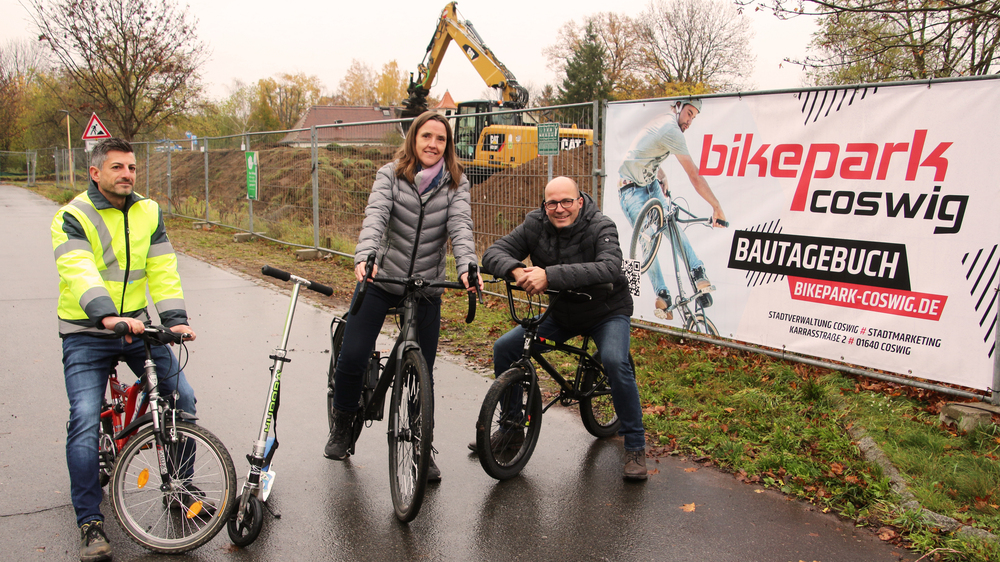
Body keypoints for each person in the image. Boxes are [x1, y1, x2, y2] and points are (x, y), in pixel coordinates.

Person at [51, 138, 198, 562]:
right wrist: (104, 315)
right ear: (95, 172)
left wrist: (174, 320)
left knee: (181, 397)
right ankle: (89, 522)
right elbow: (77, 269)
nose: (127, 174)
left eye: (132, 167)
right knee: (83, 418)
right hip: (85, 330)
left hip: (135, 326)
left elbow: (162, 267)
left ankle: (181, 486)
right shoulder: (72, 215)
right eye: (117, 167)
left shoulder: (148, 210)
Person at [324, 111, 480, 483]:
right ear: (414, 139)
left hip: (426, 285)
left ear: (448, 145)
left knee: (421, 371)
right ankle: (343, 424)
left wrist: (466, 267)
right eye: (426, 136)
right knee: (353, 356)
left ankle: (422, 445)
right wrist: (366, 258)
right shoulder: (390, 175)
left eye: (440, 139)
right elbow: (375, 219)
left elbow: (460, 227)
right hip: (383, 278)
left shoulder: (456, 182)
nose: (432, 144)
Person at [477, 176, 648, 481]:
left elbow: (609, 268)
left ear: (579, 201)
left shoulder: (601, 225)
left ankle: (635, 445)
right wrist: (516, 269)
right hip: (562, 313)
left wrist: (549, 276)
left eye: (566, 201)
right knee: (505, 348)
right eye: (552, 203)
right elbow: (493, 253)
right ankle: (512, 429)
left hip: (606, 311)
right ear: (544, 205)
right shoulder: (535, 223)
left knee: (614, 360)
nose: (559, 209)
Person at [618, 98, 727, 320]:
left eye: (694, 117)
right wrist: (716, 207)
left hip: (650, 184)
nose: (689, 121)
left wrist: (661, 175)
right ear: (678, 107)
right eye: (688, 114)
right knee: (647, 238)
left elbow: (643, 151)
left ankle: (697, 273)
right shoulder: (670, 128)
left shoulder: (666, 123)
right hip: (630, 189)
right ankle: (662, 293)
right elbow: (694, 175)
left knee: (671, 226)